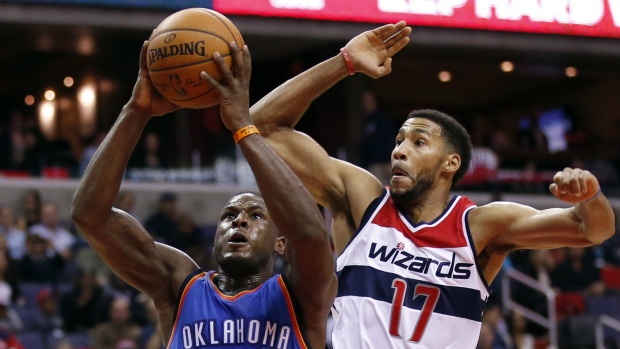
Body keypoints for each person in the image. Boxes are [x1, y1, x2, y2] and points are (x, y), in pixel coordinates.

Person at [249, 22, 615, 348]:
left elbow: (593, 230)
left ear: (450, 164)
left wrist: (591, 196)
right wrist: (343, 62)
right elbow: (260, 129)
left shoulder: (481, 226)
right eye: (399, 141)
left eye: (418, 142)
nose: (400, 152)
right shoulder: (362, 201)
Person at [70, 39, 336, 349]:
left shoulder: (302, 294)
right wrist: (136, 111)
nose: (239, 222)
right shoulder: (180, 284)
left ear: (280, 242)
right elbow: (90, 215)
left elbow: (311, 235)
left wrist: (242, 127)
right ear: (215, 237)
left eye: (256, 215)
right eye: (229, 216)